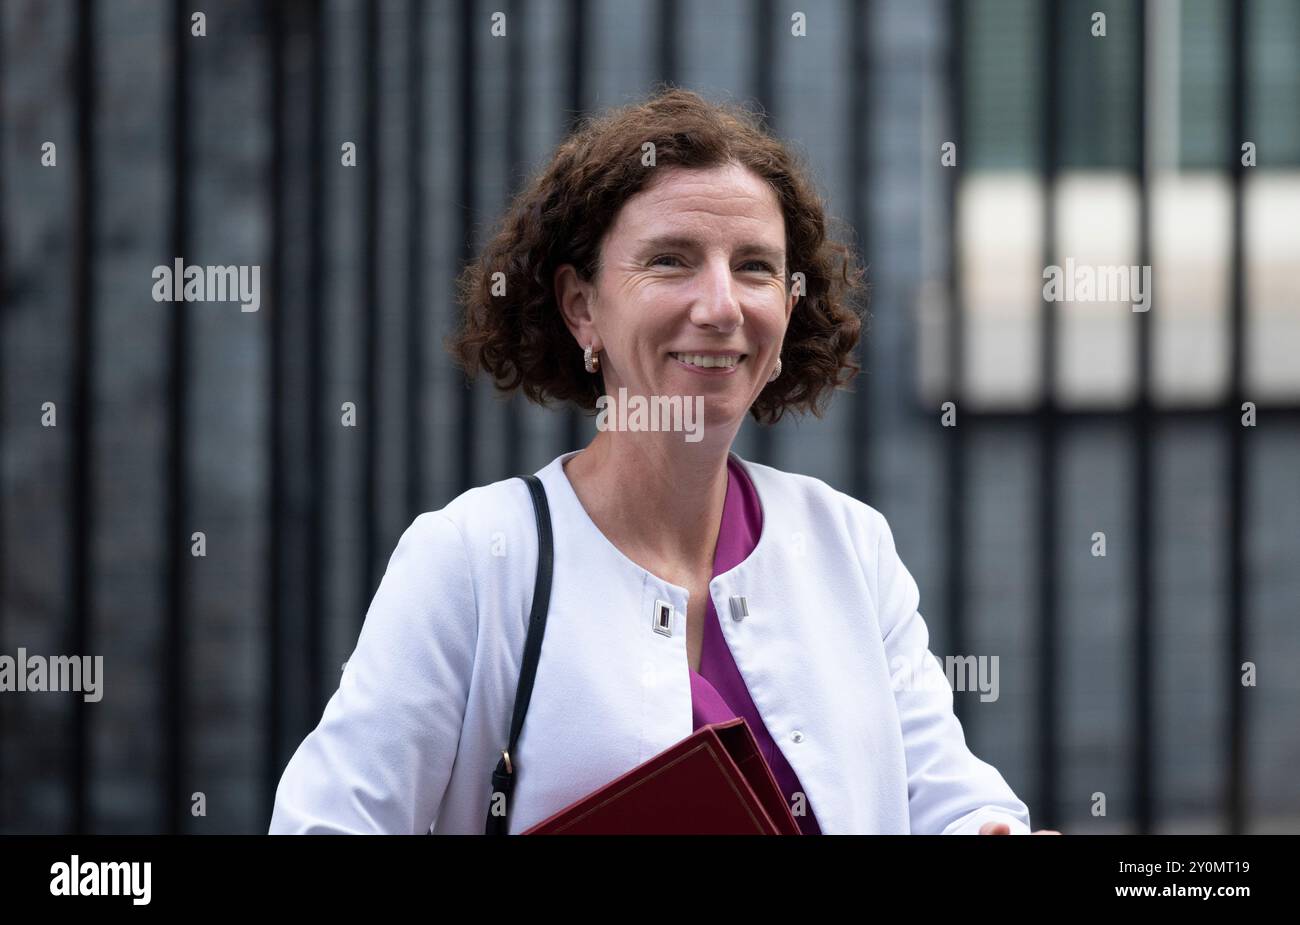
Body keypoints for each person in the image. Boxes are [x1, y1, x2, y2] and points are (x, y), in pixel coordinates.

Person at [269, 87, 1055, 835]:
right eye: (671, 261)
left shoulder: (850, 543)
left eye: (754, 267)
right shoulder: (472, 559)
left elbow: (950, 801)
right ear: (582, 307)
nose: (720, 307)